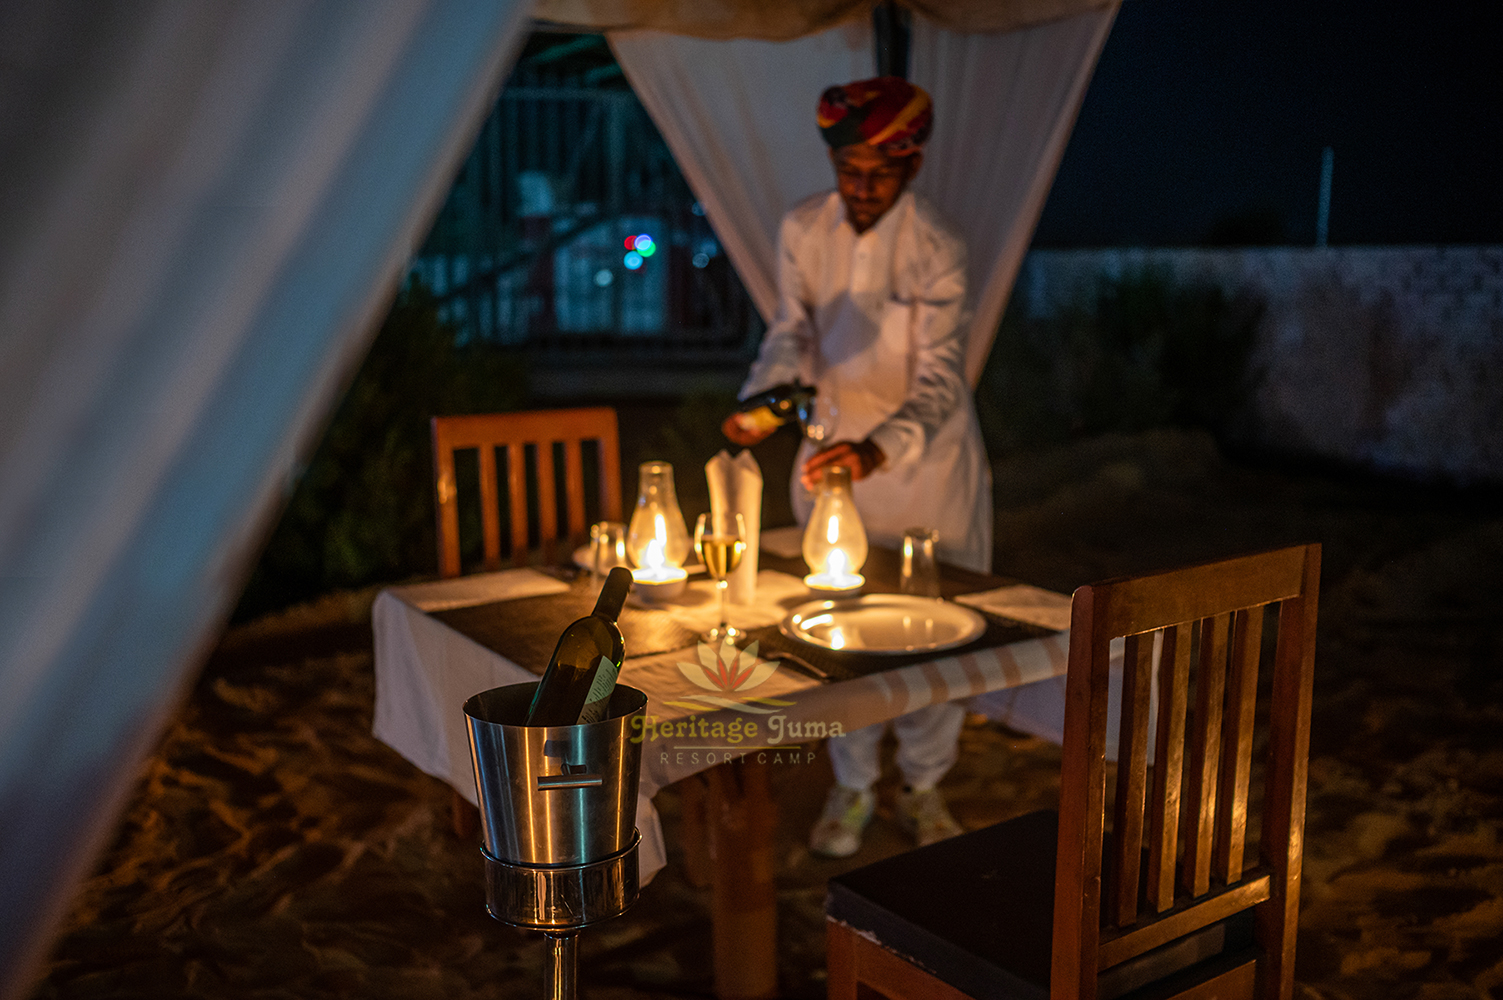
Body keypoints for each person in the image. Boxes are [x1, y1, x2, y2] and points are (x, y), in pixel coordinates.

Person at [721, 77, 991, 857]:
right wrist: (762, 399)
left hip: (927, 469)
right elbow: (790, 331)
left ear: (911, 167)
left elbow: (940, 378)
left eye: (879, 173)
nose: (861, 189)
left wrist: (879, 448)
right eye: (848, 171)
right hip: (830, 457)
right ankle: (852, 785)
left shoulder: (937, 246)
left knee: (936, 630)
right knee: (836, 628)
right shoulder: (803, 228)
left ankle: (924, 785)